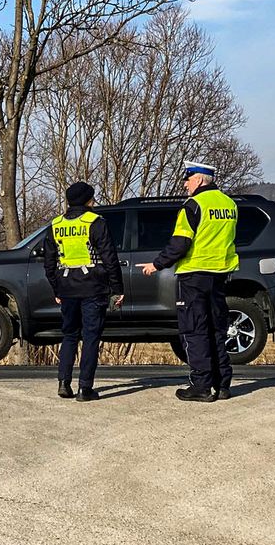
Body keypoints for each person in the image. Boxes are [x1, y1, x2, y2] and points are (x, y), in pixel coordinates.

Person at [137, 160, 239, 402]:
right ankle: (222, 384)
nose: (185, 184)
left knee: (194, 330)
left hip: (194, 275)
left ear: (200, 180)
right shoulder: (229, 204)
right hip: (220, 274)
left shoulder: (193, 205)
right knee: (216, 328)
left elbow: (180, 243)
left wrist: (157, 264)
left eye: (188, 178)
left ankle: (201, 385)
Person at [42, 181, 125, 401]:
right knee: (91, 338)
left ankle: (64, 383)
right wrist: (117, 288)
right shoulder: (95, 222)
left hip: (67, 288)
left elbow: (49, 263)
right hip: (93, 287)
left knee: (69, 335)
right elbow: (109, 258)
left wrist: (56, 288)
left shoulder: (56, 225)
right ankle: (85, 388)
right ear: (89, 200)